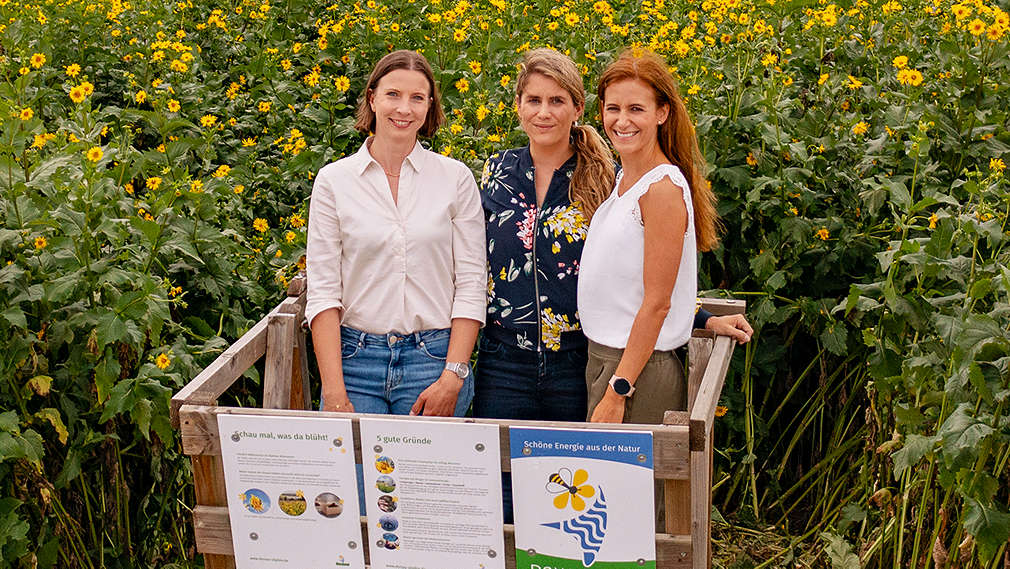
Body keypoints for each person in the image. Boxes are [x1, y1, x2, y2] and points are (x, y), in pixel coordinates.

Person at [477, 49, 751, 423]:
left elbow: (651, 284)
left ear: (578, 108)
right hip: (505, 363)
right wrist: (701, 317)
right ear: (518, 105)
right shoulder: (498, 172)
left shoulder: (601, 175)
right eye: (534, 100)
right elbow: (622, 272)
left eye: (557, 101)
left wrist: (698, 317)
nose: (544, 112)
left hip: (578, 361)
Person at [306, 50, 486, 417]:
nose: (404, 108)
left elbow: (471, 282)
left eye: (417, 98)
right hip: (353, 362)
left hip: (433, 361)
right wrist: (334, 391)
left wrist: (452, 376)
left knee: (429, 459)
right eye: (393, 94)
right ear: (372, 98)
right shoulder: (334, 182)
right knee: (354, 459)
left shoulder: (455, 179)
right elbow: (323, 291)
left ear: (429, 106)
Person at [578, 48, 722, 425]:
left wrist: (618, 390)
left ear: (662, 113)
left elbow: (657, 302)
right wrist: (704, 318)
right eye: (613, 108)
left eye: (636, 109)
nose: (622, 120)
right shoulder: (625, 180)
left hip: (635, 373)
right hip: (610, 360)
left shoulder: (661, 189)